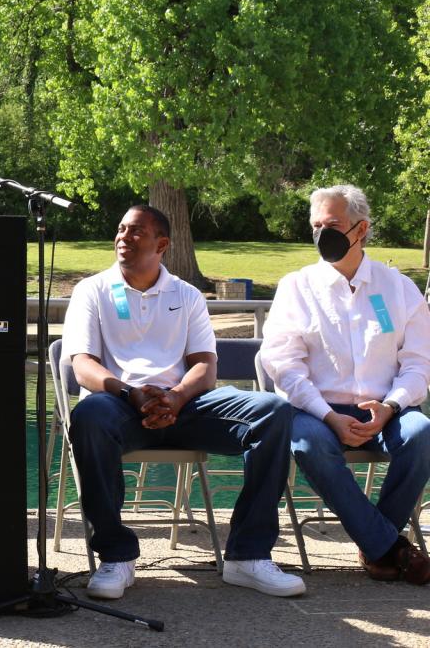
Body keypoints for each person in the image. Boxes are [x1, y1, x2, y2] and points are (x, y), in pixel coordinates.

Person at [61, 204, 305, 600]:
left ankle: (248, 555)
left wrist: (175, 397)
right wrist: (130, 393)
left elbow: (205, 368)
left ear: (162, 245)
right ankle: (116, 556)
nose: (123, 238)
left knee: (273, 412)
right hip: (119, 405)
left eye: (136, 232)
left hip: (186, 406)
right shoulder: (92, 290)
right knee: (89, 414)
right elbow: (83, 365)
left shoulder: (187, 295)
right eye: (121, 229)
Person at [260, 184, 430, 585]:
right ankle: (390, 550)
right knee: (306, 442)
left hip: (386, 410)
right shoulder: (296, 287)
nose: (322, 234)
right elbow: (283, 366)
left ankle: (378, 546)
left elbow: (420, 363)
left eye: (332, 225)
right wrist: (327, 415)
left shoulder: (399, 288)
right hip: (316, 412)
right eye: (315, 226)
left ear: (361, 229)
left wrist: (391, 405)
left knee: (422, 433)